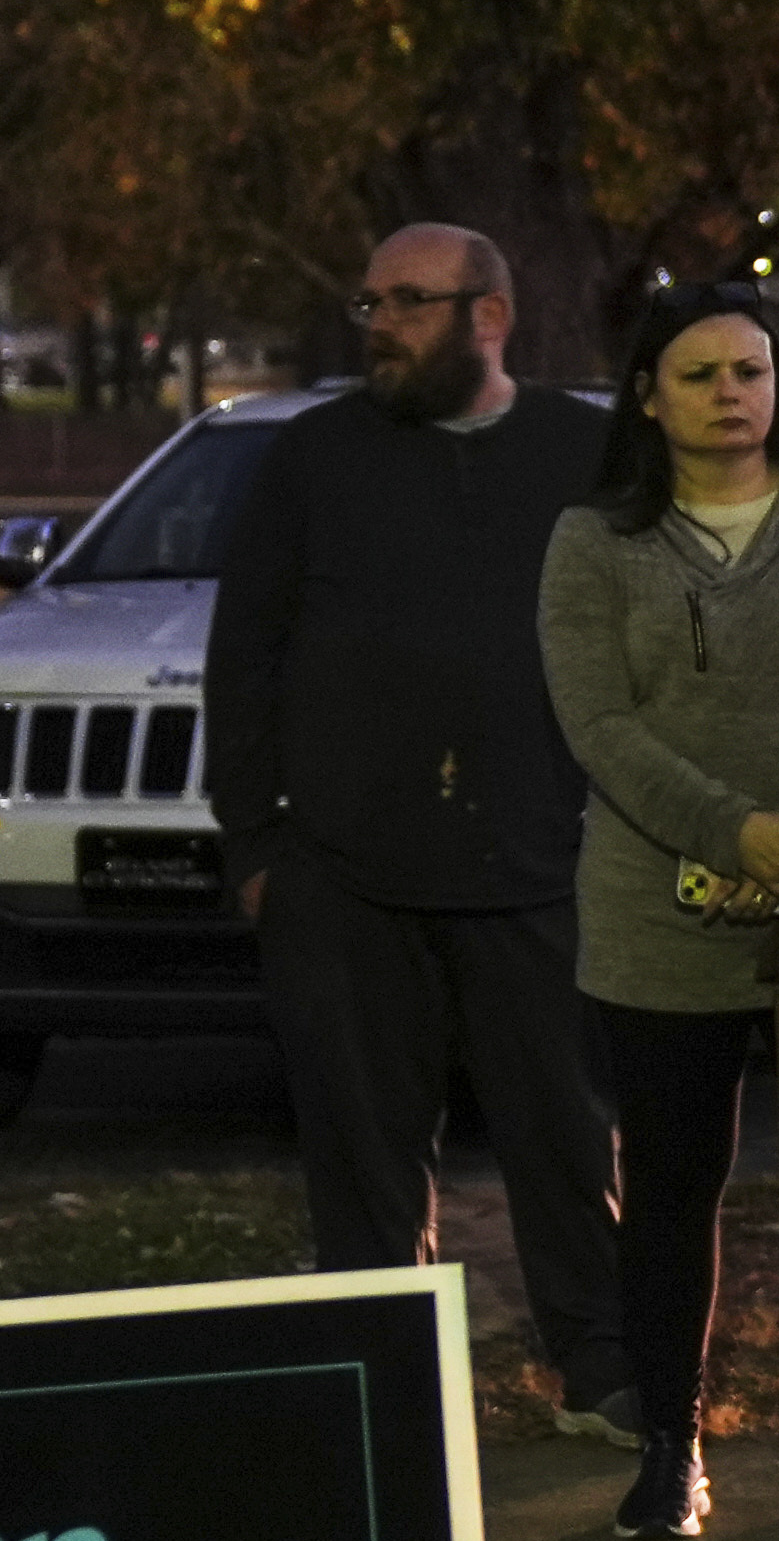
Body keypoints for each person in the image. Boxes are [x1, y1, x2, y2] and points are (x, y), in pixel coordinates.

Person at [205, 222, 631, 1430]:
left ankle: (598, 1376)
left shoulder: (580, 451)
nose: (380, 324)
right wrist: (257, 848)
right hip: (342, 875)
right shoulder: (314, 456)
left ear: (489, 317)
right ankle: (380, 1393)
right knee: (361, 1158)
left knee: (564, 1139)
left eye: (410, 300)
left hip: (537, 866)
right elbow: (246, 657)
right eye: (371, 299)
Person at [542, 288, 779, 1540]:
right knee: (670, 1183)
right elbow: (598, 723)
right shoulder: (595, 542)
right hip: (656, 916)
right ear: (648, 394)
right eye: (700, 371)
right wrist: (731, 834)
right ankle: (671, 1444)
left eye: (752, 369)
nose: (731, 391)